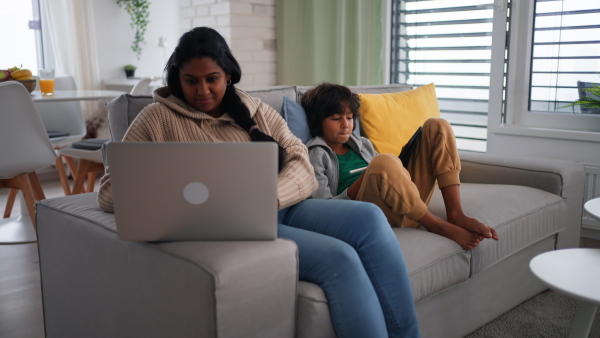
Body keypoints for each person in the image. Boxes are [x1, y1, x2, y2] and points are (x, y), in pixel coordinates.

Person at [97, 27, 420, 338]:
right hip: (234, 225)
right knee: (340, 258)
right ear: (177, 79)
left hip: (283, 207)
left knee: (370, 218)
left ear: (228, 75)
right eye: (191, 81)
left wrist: (269, 197)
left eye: (212, 80)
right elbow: (109, 191)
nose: (202, 91)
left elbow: (300, 160)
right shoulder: (156, 119)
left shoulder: (253, 108)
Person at [301, 83, 499, 251]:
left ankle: (456, 214)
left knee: (437, 126)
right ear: (318, 122)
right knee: (383, 162)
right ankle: (436, 225)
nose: (346, 125)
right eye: (336, 119)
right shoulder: (315, 154)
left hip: (406, 205)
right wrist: (361, 184)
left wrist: (400, 162)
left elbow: (388, 175)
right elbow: (322, 210)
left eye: (350, 117)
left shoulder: (362, 144)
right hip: (370, 213)